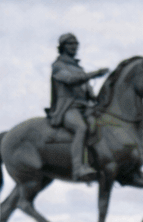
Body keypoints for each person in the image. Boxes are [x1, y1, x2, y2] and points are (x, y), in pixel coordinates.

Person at [46, 33, 109, 182]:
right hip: (68, 108)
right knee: (81, 128)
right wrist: (94, 74)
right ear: (62, 47)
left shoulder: (79, 68)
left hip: (85, 107)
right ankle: (78, 168)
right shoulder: (58, 66)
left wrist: (98, 98)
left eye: (76, 44)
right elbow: (70, 80)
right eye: (70, 44)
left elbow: (88, 90)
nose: (74, 47)